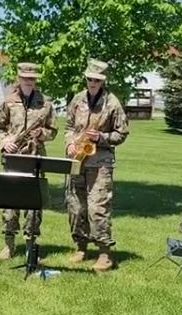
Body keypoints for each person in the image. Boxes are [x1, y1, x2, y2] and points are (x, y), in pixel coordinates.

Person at [64, 59, 129, 272]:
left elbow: (122, 133)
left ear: (103, 81)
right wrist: (70, 143)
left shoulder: (112, 103)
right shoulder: (77, 100)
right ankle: (81, 247)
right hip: (77, 160)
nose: (92, 82)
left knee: (97, 207)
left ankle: (104, 253)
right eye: (90, 79)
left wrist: (101, 136)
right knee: (75, 205)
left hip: (100, 163)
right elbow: (69, 126)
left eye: (97, 80)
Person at [0, 62, 57, 260]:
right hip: (13, 159)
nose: (29, 81)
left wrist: (42, 133)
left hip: (35, 158)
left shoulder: (45, 103)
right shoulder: (8, 101)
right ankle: (8, 244)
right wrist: (5, 142)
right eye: (25, 77)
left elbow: (53, 131)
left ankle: (31, 244)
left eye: (32, 78)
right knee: (10, 204)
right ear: (19, 78)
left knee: (33, 206)